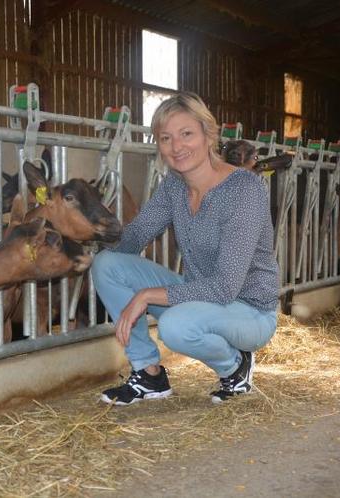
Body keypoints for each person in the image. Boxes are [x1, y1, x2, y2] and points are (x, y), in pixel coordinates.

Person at [91, 92, 279, 405]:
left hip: (249, 310)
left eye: (186, 134)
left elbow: (224, 287)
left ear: (209, 136)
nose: (176, 147)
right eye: (166, 138)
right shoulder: (175, 185)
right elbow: (136, 234)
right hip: (197, 295)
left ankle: (235, 368)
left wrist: (146, 295)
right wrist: (88, 239)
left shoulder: (245, 190)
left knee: (175, 327)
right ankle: (148, 374)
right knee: (106, 264)